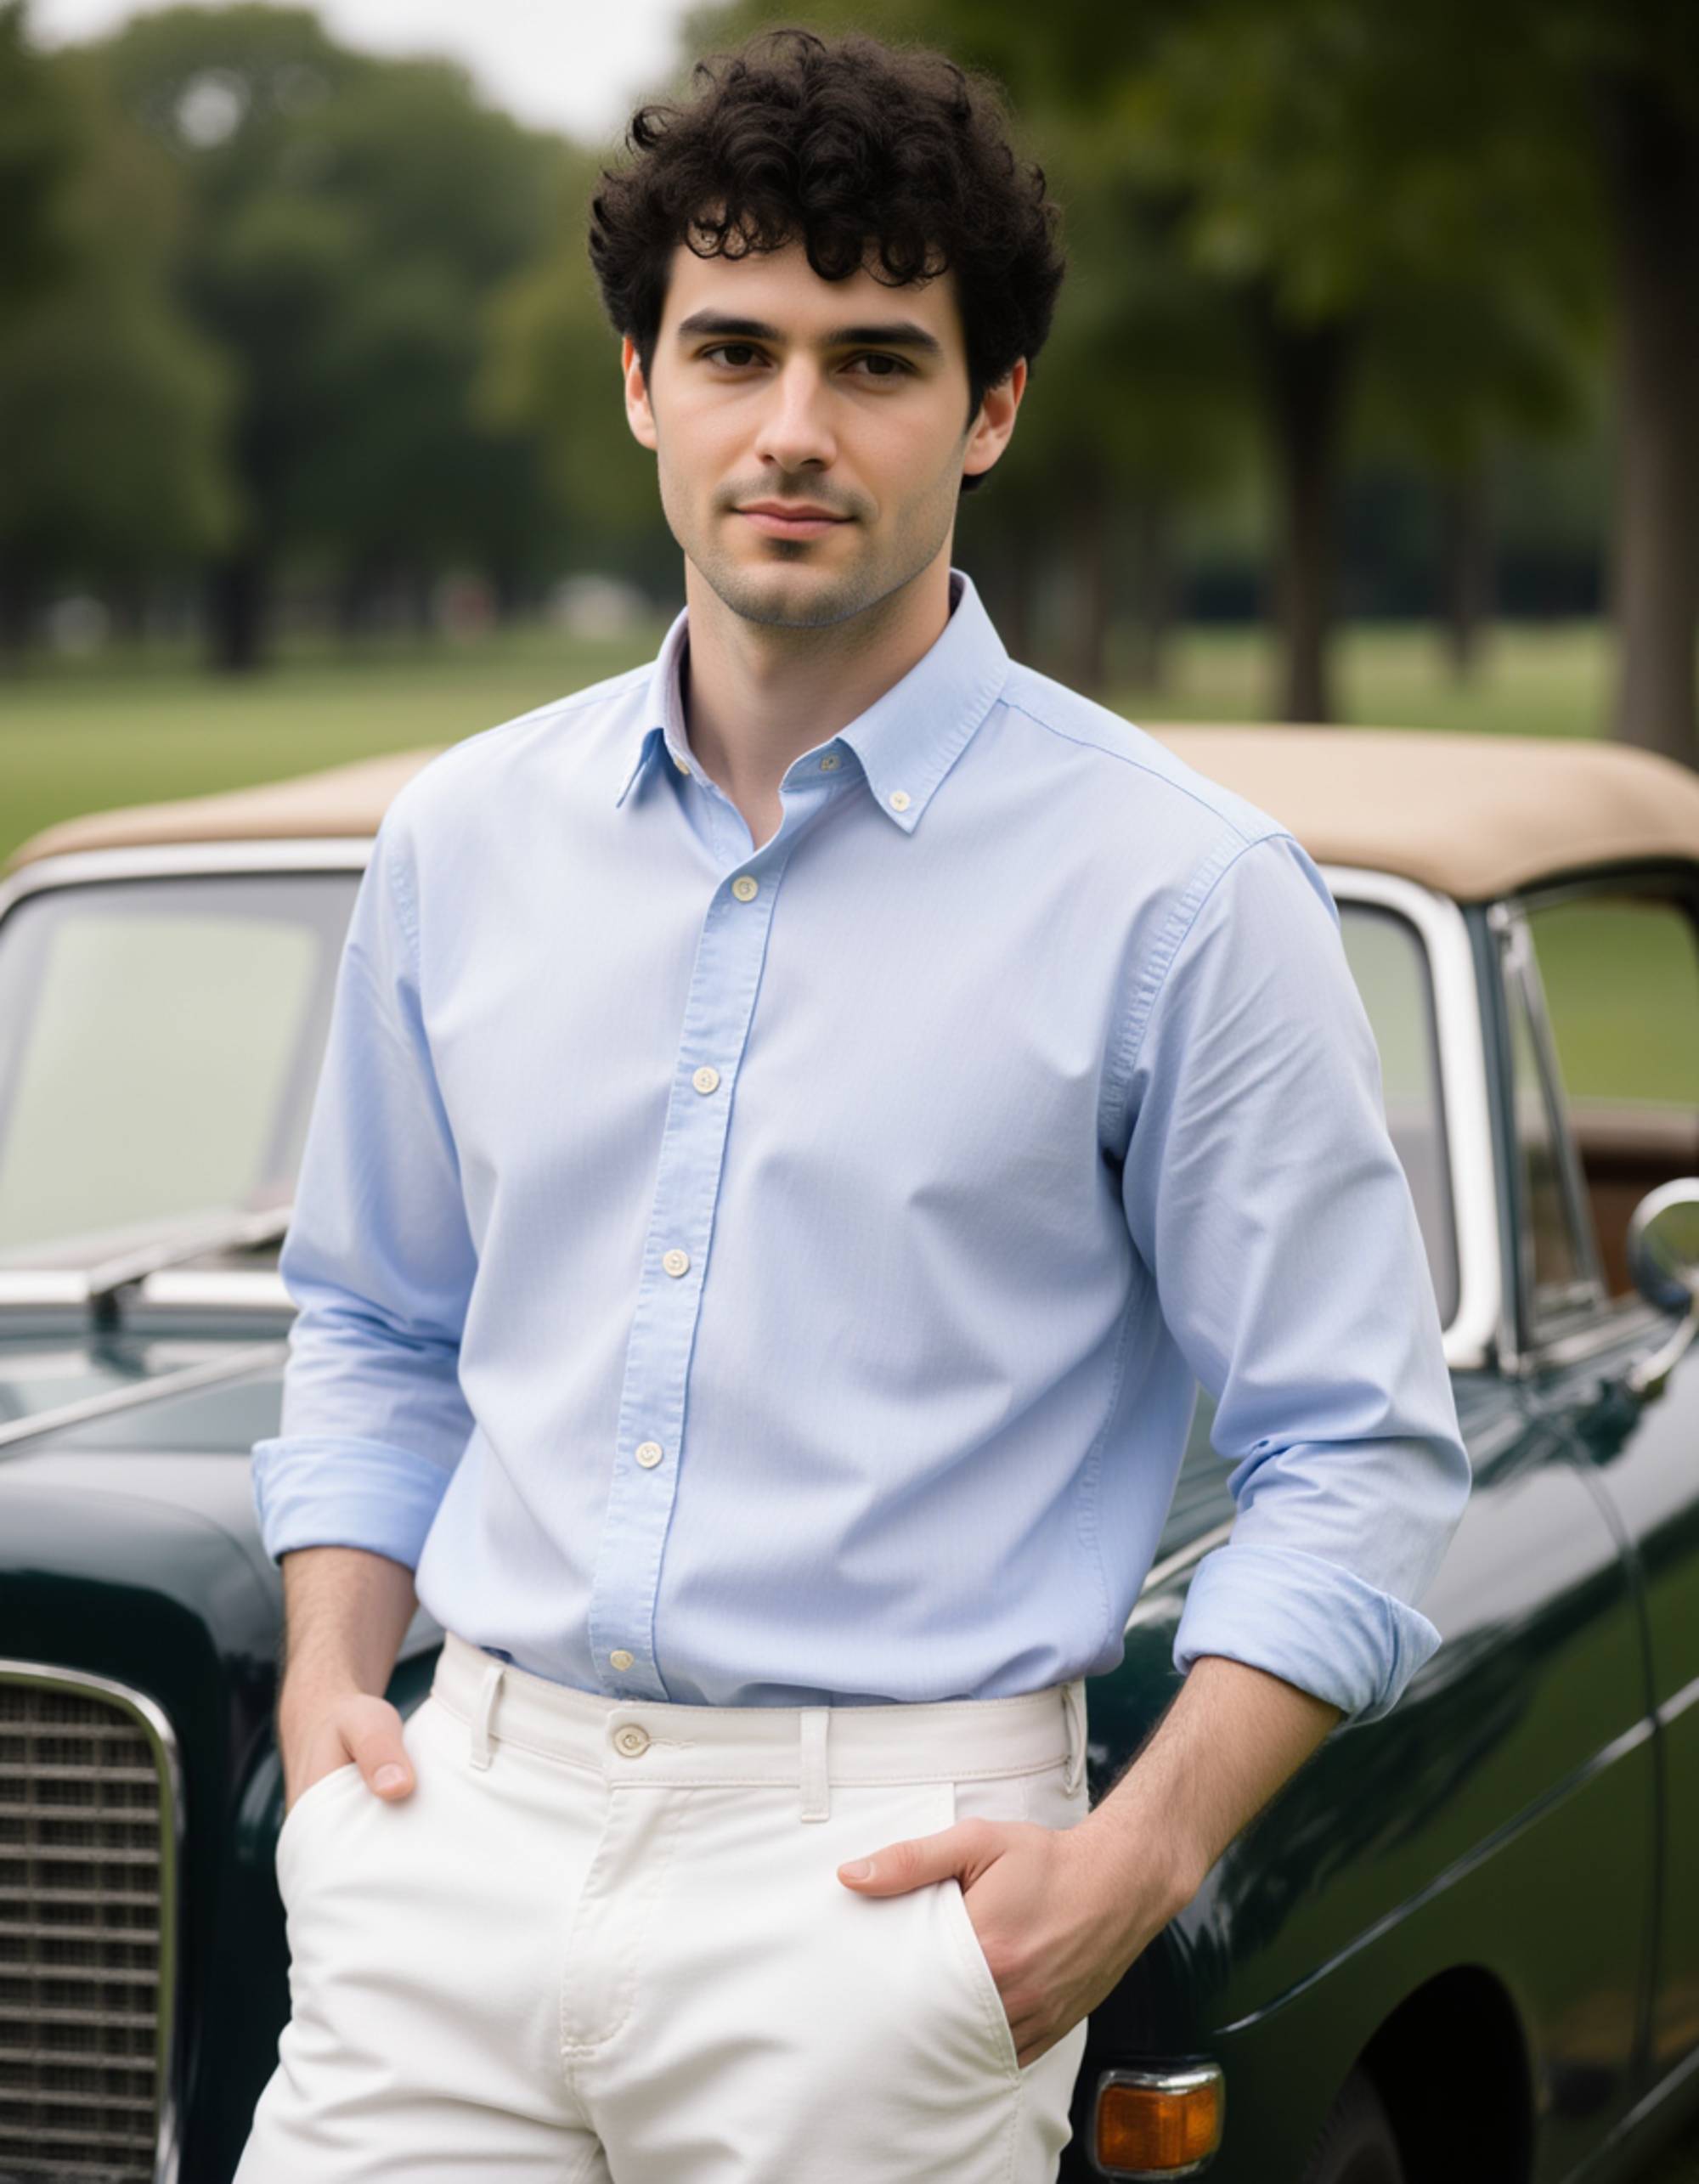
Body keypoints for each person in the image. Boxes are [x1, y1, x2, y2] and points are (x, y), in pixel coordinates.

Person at [235, 25, 1470, 2184]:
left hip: (887, 1903)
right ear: (641, 382)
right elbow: (374, 1319)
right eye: (733, 348)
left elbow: (1355, 1458)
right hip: (449, 1848)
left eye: (877, 361)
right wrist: (330, 1690)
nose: (791, 428)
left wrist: (1128, 1860)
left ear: (988, 409)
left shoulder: (1180, 896)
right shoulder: (460, 840)